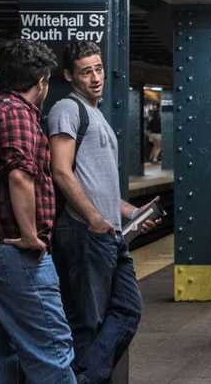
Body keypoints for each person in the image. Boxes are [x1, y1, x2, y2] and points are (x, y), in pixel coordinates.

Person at [0, 39, 78, 383]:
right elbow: (20, 174)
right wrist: (30, 234)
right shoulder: (17, 113)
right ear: (42, 81)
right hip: (10, 249)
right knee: (52, 349)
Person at [49, 41, 157, 384]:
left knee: (128, 310)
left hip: (109, 232)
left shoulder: (96, 113)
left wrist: (131, 211)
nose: (96, 77)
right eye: (86, 71)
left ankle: (84, 377)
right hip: (84, 231)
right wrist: (94, 218)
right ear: (69, 76)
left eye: (98, 69)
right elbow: (61, 171)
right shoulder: (67, 109)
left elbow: (102, 186)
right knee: (88, 321)